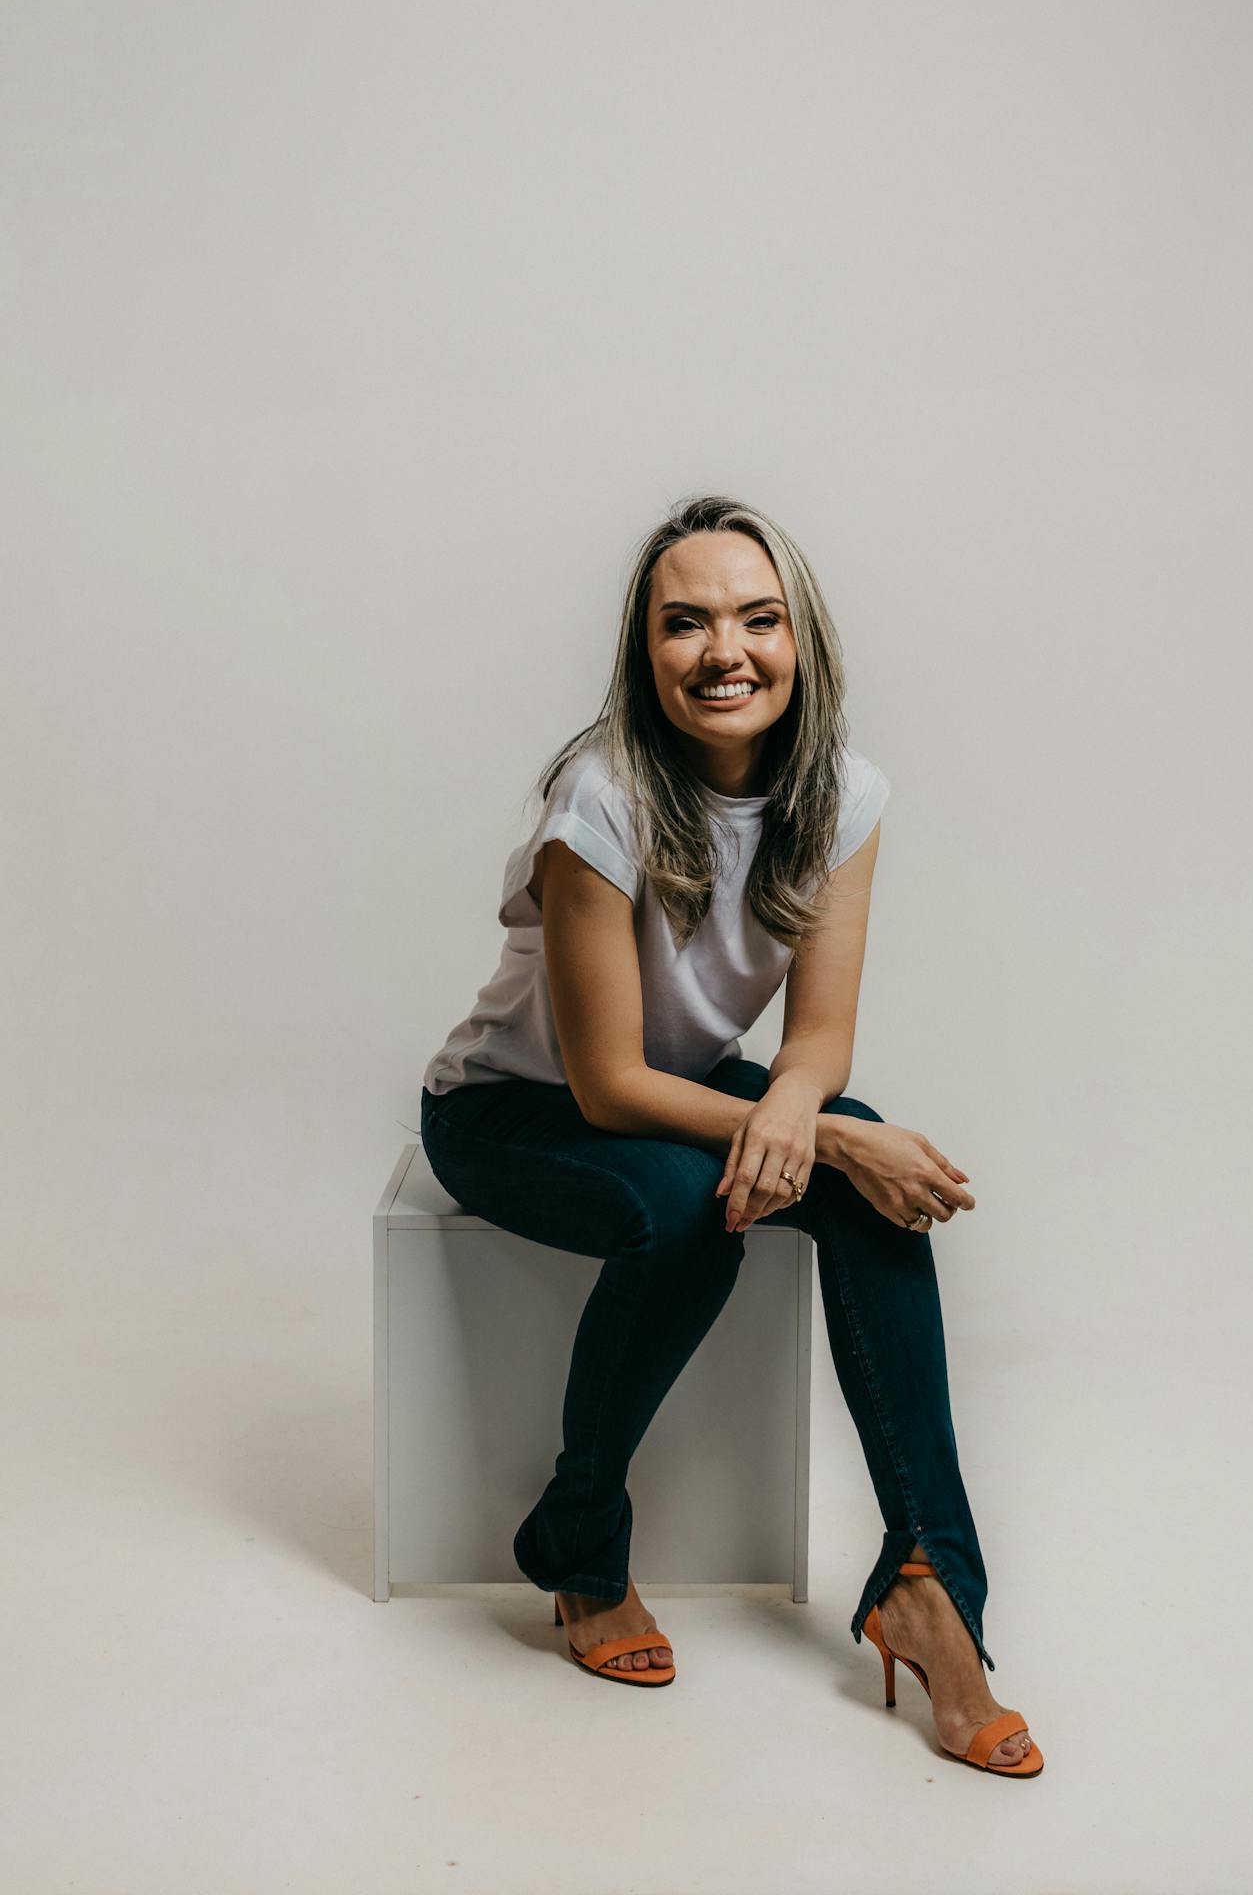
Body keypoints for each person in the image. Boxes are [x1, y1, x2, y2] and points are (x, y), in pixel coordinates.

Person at [420, 494, 1042, 1777]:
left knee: (845, 1159)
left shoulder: (843, 796)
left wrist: (820, 1121)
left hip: (684, 1091)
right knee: (699, 1201)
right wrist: (833, 1139)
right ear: (643, 653)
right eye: (684, 623)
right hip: (512, 1110)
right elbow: (601, 1084)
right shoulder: (595, 799)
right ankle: (579, 1540)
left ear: (798, 638)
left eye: (757, 619)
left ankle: (931, 1585)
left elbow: (816, 1042)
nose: (724, 652)